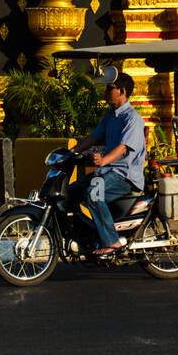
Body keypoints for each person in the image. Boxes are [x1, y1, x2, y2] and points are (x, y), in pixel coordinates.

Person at [70, 72, 147, 255]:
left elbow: (123, 147)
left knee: (93, 194)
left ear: (122, 91)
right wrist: (72, 152)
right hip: (107, 173)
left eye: (110, 88)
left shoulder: (132, 118)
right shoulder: (111, 116)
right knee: (71, 191)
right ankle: (87, 236)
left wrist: (103, 160)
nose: (106, 92)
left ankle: (112, 242)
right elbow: (93, 137)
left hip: (124, 176)